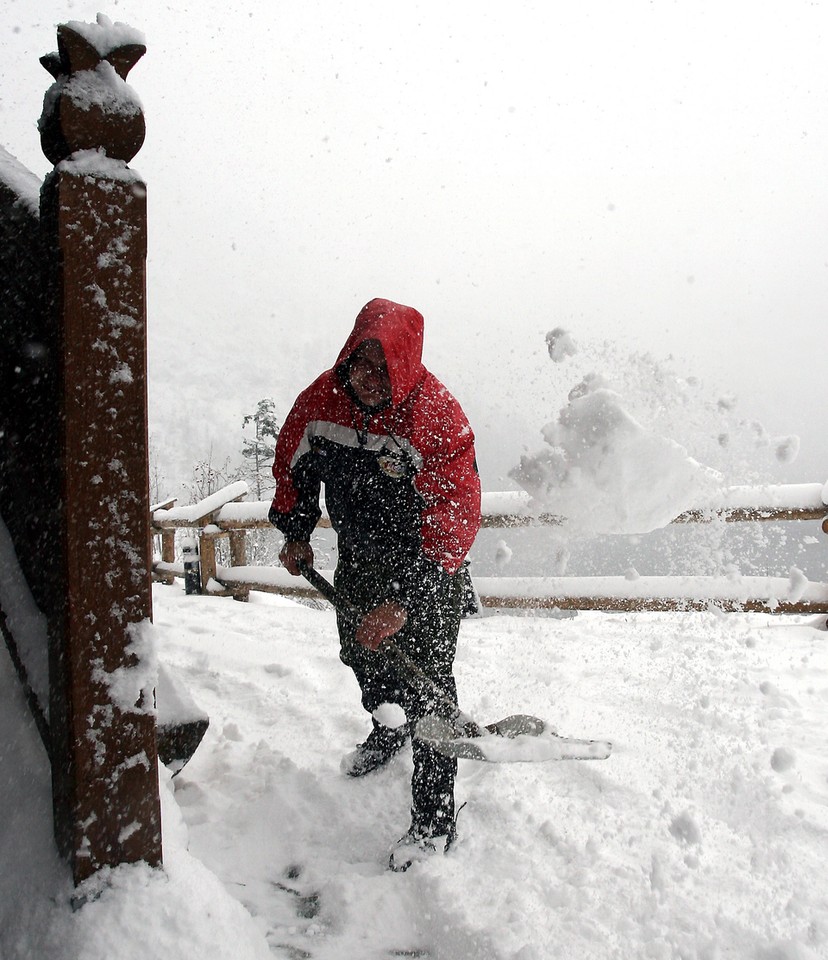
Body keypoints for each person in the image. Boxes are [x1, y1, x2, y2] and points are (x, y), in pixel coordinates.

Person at [269, 297, 481, 871]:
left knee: (430, 686)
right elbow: (294, 465)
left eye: (383, 369)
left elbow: (457, 512)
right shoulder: (322, 401)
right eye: (361, 365)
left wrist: (405, 602)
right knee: (361, 651)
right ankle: (389, 725)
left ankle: (434, 822)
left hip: (427, 566)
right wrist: (296, 530)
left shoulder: (434, 416)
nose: (368, 380)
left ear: (405, 368)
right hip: (361, 557)